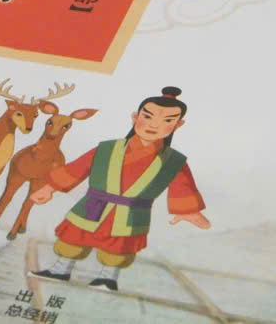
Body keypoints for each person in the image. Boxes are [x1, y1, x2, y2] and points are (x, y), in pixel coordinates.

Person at [30, 86, 210, 292]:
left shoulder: (174, 161)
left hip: (132, 212)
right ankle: (60, 270)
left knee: (118, 248)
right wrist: (50, 188)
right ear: (135, 117)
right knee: (73, 238)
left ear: (178, 125)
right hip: (92, 205)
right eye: (147, 116)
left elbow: (183, 185)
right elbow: (78, 167)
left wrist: (189, 210)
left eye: (167, 120)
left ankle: (107, 278)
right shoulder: (107, 148)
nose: (154, 125)